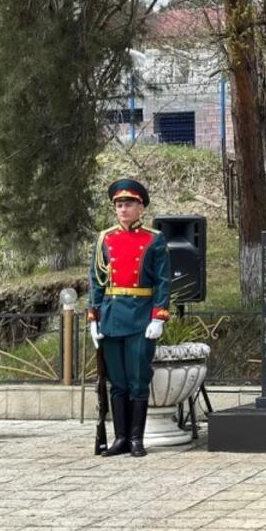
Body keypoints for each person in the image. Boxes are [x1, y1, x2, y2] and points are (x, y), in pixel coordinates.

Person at [88, 179, 171, 457]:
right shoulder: (105, 238)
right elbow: (96, 280)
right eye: (119, 205)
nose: (123, 210)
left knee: (138, 379)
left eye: (129, 205)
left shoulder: (154, 239)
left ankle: (136, 438)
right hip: (112, 316)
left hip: (140, 316)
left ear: (141, 208)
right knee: (117, 381)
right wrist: (93, 317)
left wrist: (158, 316)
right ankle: (120, 438)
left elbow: (162, 282)